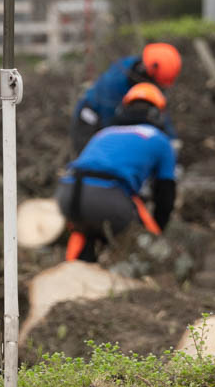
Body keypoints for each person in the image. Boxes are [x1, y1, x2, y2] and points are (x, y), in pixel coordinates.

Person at [57, 82, 178, 262]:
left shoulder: (105, 133)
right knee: (151, 247)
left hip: (68, 193)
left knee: (86, 232)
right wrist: (158, 230)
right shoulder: (160, 140)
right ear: (157, 113)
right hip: (108, 198)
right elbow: (165, 193)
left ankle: (76, 270)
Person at [70, 42, 181, 153]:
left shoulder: (148, 78)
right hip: (92, 120)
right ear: (147, 72)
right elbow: (110, 124)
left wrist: (171, 139)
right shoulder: (115, 83)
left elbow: (159, 111)